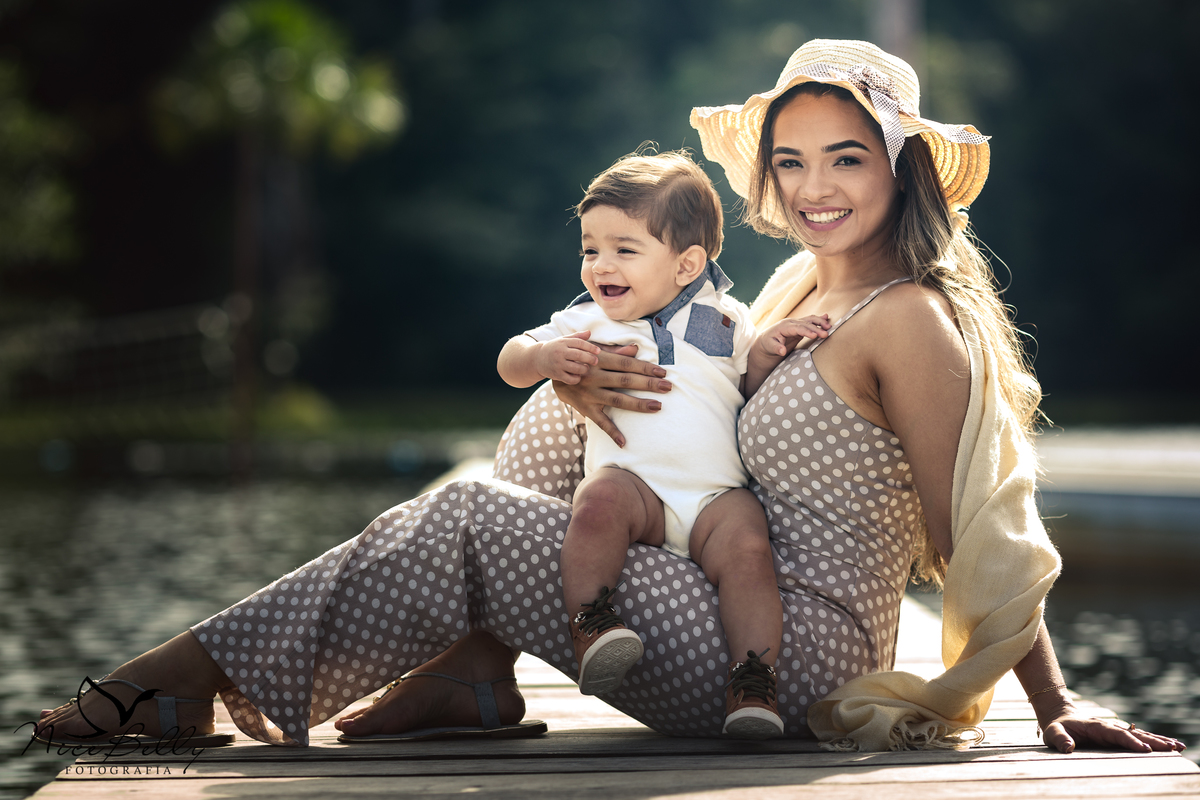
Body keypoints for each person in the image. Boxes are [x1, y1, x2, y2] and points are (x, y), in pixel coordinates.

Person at [33, 39, 1185, 754]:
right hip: (703, 573)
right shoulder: (792, 291)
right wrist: (573, 370)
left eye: (848, 156)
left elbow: (972, 527)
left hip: (792, 653)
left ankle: (182, 678)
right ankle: (477, 669)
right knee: (575, 388)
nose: (815, 185)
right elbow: (685, 416)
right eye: (792, 159)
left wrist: (1052, 701)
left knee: (472, 511)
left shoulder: (912, 320)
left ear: (902, 165)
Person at [497, 150, 830, 738]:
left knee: (749, 550)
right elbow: (510, 359)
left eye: (624, 250)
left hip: (714, 496)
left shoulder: (726, 317)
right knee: (595, 504)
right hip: (635, 490)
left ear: (686, 264)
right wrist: (544, 358)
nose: (601, 266)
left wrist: (768, 348)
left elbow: (745, 384)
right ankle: (592, 625)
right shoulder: (586, 321)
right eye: (590, 250)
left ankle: (753, 682)